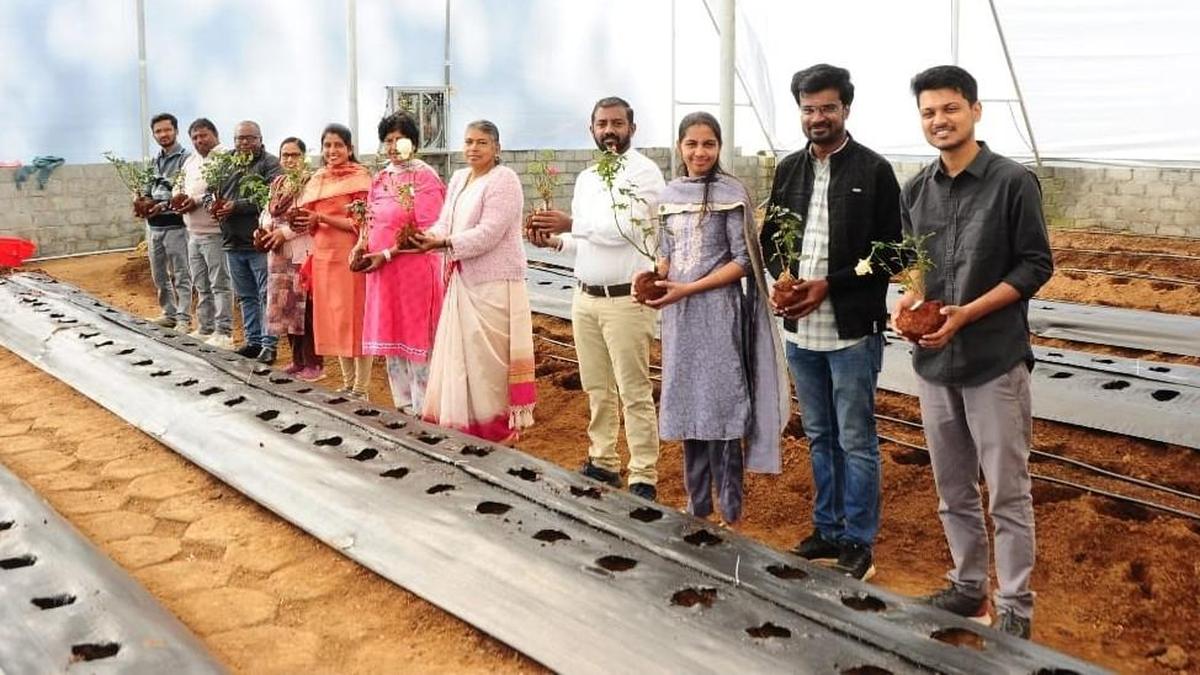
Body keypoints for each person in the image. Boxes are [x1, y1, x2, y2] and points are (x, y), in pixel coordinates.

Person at [900, 65, 1053, 639]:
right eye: (929, 112)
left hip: (993, 360)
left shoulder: (1012, 182)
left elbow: (1035, 265)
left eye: (950, 108)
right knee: (953, 488)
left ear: (976, 111)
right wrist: (911, 299)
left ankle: (1015, 607)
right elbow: (917, 267)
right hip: (935, 364)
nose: (939, 120)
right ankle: (968, 587)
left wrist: (967, 313)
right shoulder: (916, 189)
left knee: (1007, 491)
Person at [760, 64, 901, 581]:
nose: (818, 117)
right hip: (801, 332)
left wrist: (830, 284)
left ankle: (858, 541)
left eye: (827, 108)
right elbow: (770, 239)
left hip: (851, 332)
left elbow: (893, 252)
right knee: (819, 434)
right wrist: (781, 278)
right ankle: (826, 528)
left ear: (846, 109)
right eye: (809, 109)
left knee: (856, 439)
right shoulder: (788, 171)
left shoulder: (874, 171)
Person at [634, 112, 789, 525]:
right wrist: (653, 278)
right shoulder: (669, 195)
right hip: (681, 318)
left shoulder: (731, 193)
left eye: (708, 144)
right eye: (692, 144)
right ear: (679, 147)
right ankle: (698, 506)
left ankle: (731, 511)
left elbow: (744, 261)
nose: (700, 152)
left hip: (719, 314)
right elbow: (666, 255)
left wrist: (690, 287)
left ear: (719, 147)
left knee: (721, 405)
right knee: (690, 407)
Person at [527, 97, 665, 501]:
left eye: (617, 123)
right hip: (585, 298)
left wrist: (572, 224)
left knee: (634, 390)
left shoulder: (645, 173)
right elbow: (585, 240)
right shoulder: (587, 178)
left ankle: (643, 474)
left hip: (626, 300)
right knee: (597, 387)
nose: (609, 130)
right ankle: (603, 460)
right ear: (591, 129)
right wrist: (555, 241)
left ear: (632, 129)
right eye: (602, 123)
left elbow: (625, 229)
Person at [412, 120, 536, 444]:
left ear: (497, 147)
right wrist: (425, 236)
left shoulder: (504, 179)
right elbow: (445, 223)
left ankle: (496, 430)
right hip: (462, 280)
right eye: (468, 141)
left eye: (482, 142)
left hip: (494, 284)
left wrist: (443, 244)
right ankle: (464, 427)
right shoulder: (458, 178)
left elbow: (489, 233)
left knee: (487, 366)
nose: (473, 148)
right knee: (461, 362)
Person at [359, 112, 447, 413]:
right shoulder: (381, 177)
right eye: (388, 140)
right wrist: (361, 245)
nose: (394, 146)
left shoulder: (424, 177)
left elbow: (427, 229)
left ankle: (426, 409)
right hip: (383, 272)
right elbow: (370, 219)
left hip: (414, 270)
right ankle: (404, 405)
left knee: (417, 339)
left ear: (415, 143)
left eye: (400, 139)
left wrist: (387, 253)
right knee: (392, 336)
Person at [293, 124, 374, 398]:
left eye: (338, 145)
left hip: (351, 258)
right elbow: (309, 221)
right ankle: (348, 383)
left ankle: (361, 388)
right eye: (327, 145)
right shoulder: (317, 179)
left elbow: (362, 224)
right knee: (335, 320)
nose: (332, 150)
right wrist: (302, 221)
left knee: (355, 320)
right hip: (323, 258)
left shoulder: (360, 178)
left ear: (350, 149)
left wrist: (322, 218)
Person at [211, 120, 282, 362]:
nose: (244, 142)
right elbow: (211, 190)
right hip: (232, 242)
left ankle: (269, 345)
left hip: (258, 242)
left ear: (260, 139)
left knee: (266, 295)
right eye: (240, 138)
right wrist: (212, 205)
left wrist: (237, 205)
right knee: (246, 296)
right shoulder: (225, 163)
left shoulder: (270, 163)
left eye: (250, 138)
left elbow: (271, 197)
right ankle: (253, 341)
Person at [256, 137, 323, 380]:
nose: (290, 160)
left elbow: (308, 218)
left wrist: (283, 233)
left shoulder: (311, 183)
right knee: (286, 308)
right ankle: (297, 360)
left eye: (295, 155)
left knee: (305, 310)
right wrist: (263, 230)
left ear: (304, 157)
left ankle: (314, 364)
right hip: (278, 254)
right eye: (285, 155)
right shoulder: (278, 183)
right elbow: (267, 212)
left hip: (301, 253)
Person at [177, 118, 235, 348]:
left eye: (203, 135)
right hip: (193, 232)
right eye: (195, 137)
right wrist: (178, 198)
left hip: (214, 232)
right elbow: (179, 185)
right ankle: (206, 327)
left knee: (219, 283)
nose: (199, 140)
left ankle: (224, 332)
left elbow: (223, 191)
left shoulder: (226, 158)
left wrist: (196, 200)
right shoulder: (190, 161)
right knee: (201, 283)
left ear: (215, 135)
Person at [139, 112, 192, 330]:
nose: (163, 134)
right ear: (153, 135)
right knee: (159, 274)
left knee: (180, 273)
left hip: (176, 226)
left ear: (176, 131)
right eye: (158, 131)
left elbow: (185, 192)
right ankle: (169, 313)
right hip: (154, 227)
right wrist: (141, 201)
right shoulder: (153, 162)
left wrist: (162, 205)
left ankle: (184, 318)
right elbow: (146, 189)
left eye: (167, 130)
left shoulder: (186, 159)